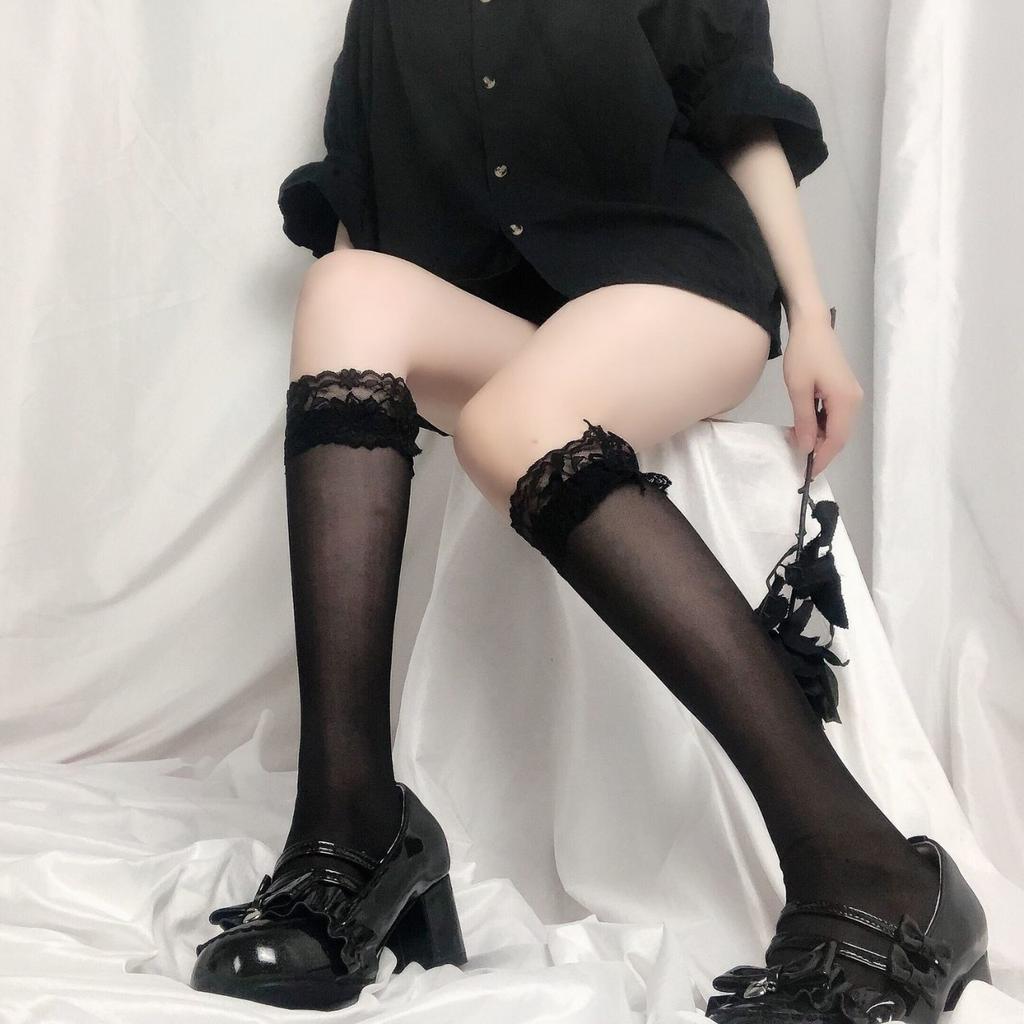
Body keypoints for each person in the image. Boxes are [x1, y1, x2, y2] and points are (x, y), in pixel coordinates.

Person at [189, 1, 990, 1018]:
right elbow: (361, 185)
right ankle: (351, 818)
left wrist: (812, 321)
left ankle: (871, 866)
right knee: (344, 283)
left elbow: (735, 106)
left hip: (680, 286)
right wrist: (360, 362)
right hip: (523, 322)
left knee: (508, 425)